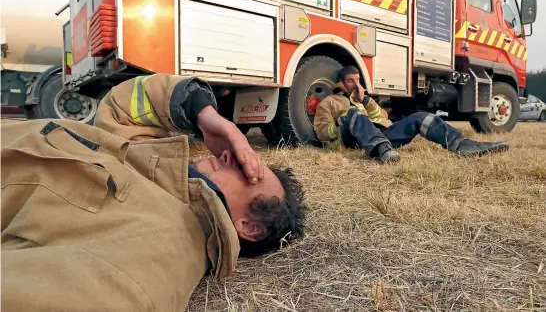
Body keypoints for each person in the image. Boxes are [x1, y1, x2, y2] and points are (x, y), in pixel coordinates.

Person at [1, 74, 307, 311]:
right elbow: (125, 105)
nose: (233, 156)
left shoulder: (161, 249)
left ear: (249, 226)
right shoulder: (157, 172)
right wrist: (207, 117)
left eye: (249, 172)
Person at [314, 66, 509, 162]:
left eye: (358, 80)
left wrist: (365, 100)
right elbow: (323, 133)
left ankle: (462, 145)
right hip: (353, 139)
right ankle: (381, 150)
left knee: (421, 117)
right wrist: (343, 119)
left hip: (382, 138)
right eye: (351, 81)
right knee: (354, 115)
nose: (357, 85)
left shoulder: (365, 99)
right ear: (341, 83)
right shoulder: (329, 102)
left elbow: (383, 119)